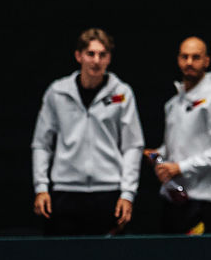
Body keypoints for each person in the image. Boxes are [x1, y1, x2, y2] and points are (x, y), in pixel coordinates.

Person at [31, 28, 144, 237]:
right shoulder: (57, 92)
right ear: (78, 56)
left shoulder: (122, 93)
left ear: (109, 59)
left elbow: (133, 145)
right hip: (65, 193)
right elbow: (41, 143)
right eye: (90, 54)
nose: (96, 60)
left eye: (102, 55)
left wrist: (127, 193)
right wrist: (41, 188)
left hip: (108, 192)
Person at [147, 36, 211, 235]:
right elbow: (178, 146)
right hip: (172, 199)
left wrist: (181, 167)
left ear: (206, 61)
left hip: (202, 202)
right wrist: (158, 155)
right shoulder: (174, 103)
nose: (189, 62)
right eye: (184, 57)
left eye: (195, 57)